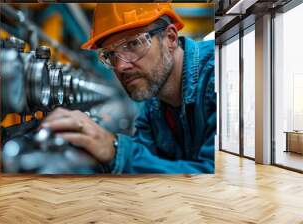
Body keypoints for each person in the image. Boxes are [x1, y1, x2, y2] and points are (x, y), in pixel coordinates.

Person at [40, 3, 215, 174]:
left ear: (170, 38)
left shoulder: (220, 76)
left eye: (133, 44)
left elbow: (216, 179)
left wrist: (115, 151)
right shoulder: (152, 106)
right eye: (110, 55)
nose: (121, 66)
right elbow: (147, 161)